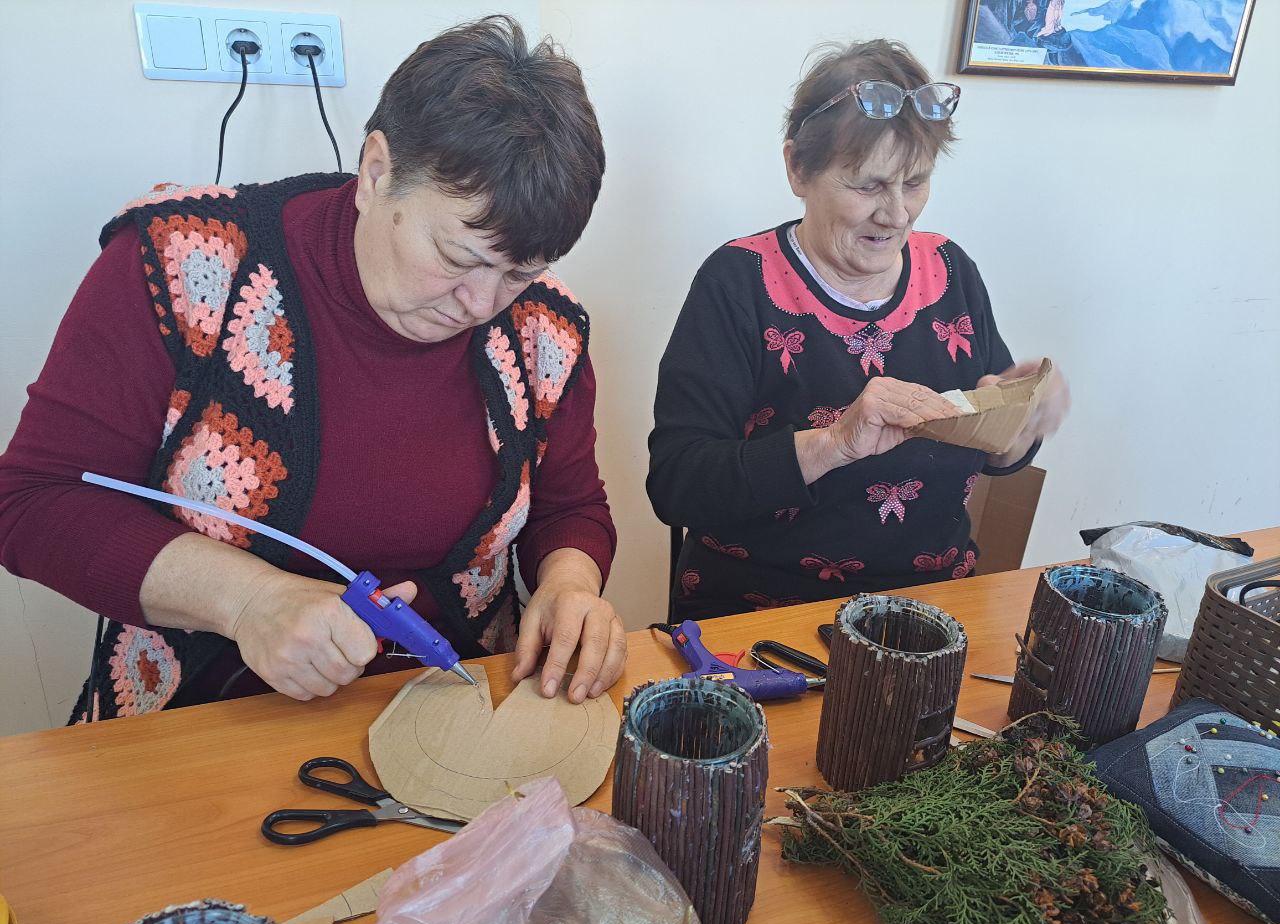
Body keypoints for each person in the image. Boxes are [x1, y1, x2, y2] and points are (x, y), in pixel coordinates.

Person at [0, 16, 624, 721]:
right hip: (196, 731)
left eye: (522, 271)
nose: (482, 304)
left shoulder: (545, 328)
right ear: (377, 171)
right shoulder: (183, 266)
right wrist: (246, 599)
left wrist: (571, 584)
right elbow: (33, 502)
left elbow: (569, 507)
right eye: (459, 258)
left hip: (451, 718)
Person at [648, 39, 1069, 621]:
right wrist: (832, 445)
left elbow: (995, 453)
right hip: (763, 613)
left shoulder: (952, 275)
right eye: (868, 185)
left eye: (915, 182)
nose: (896, 213)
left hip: (927, 608)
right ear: (798, 168)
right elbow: (677, 484)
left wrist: (1022, 418)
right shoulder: (738, 284)